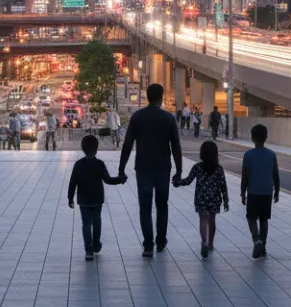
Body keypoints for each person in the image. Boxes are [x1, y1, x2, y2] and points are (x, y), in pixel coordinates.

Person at [118, 84, 183, 257]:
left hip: (143, 169)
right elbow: (176, 147)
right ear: (161, 97)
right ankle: (161, 241)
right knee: (162, 206)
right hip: (163, 169)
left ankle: (148, 245)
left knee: (145, 208)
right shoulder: (168, 118)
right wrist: (179, 171)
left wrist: (121, 169)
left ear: (147, 97)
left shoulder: (137, 117)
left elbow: (128, 144)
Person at [68, 134, 125, 262]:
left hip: (83, 199)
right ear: (96, 149)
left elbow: (73, 182)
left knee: (86, 224)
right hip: (97, 199)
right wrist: (120, 179)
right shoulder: (99, 164)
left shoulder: (79, 164)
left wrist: (70, 197)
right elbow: (108, 180)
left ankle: (88, 249)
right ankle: (96, 244)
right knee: (97, 222)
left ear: (83, 149)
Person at [175, 139, 229, 258]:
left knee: (203, 220)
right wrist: (226, 200)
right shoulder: (219, 169)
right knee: (212, 220)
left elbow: (188, 181)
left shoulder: (197, 167)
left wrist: (178, 182)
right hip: (214, 199)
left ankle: (204, 241)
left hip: (201, 198)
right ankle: (210, 243)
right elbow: (223, 185)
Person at [240, 124, 280, 259]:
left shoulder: (248, 155)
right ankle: (263, 245)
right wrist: (277, 191)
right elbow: (276, 174)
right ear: (266, 137)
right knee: (264, 219)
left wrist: (242, 193)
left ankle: (256, 240)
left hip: (253, 192)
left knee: (251, 218)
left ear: (252, 138)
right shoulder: (271, 154)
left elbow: (245, 176)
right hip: (267, 192)